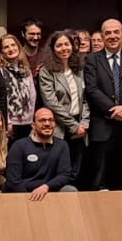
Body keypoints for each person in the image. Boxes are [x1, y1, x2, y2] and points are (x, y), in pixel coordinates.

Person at [83, 17, 122, 190]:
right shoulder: (91, 59)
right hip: (102, 125)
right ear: (102, 36)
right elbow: (92, 90)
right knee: (100, 179)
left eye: (116, 32)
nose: (113, 36)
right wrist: (114, 110)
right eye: (108, 33)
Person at [37, 29, 88, 181]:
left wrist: (84, 123)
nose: (64, 48)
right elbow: (51, 103)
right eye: (59, 45)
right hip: (58, 127)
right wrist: (73, 126)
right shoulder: (46, 71)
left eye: (67, 44)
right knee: (55, 169)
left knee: (75, 170)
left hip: (80, 126)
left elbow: (85, 99)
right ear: (52, 49)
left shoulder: (79, 69)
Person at [5, 105, 76, 199]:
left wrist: (46, 187)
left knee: (70, 190)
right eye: (42, 120)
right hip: (24, 195)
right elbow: (13, 180)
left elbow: (65, 175)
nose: (47, 124)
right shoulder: (19, 146)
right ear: (33, 125)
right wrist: (29, 198)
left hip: (50, 192)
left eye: (51, 120)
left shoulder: (62, 145)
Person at [0, 33, 37, 144]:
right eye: (6, 47)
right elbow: (1, 100)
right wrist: (7, 122)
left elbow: (33, 97)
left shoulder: (25, 70)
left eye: (13, 45)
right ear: (1, 52)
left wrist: (32, 123)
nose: (11, 49)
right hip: (10, 125)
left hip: (27, 124)